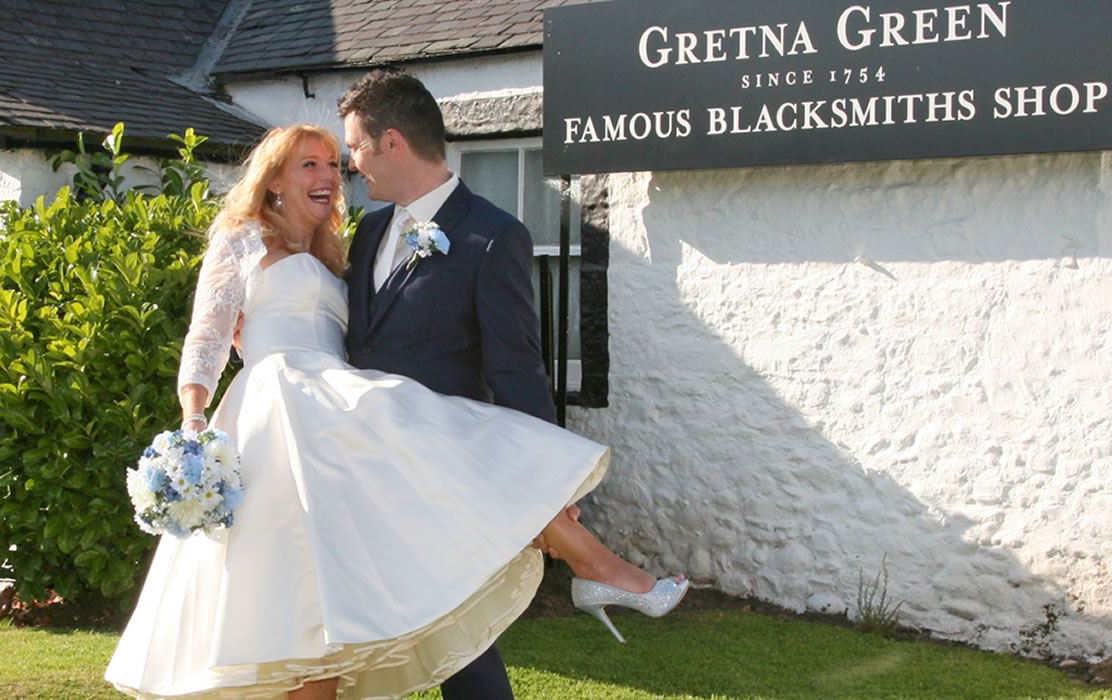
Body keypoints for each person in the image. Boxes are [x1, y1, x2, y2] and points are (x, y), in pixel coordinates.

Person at [104, 121, 685, 700]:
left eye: (334, 162)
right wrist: (194, 422)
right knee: (297, 598)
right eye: (310, 164)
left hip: (334, 412)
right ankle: (600, 568)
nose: (331, 174)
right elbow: (206, 336)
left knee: (347, 576)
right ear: (274, 179)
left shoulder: (343, 250)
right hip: (277, 412)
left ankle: (597, 567)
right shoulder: (242, 238)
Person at [336, 66, 684, 699]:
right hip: (362, 465)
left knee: (456, 629)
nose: (350, 162)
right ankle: (598, 567)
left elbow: (516, 368)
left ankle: (597, 565)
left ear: (392, 142)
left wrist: (550, 475)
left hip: (438, 471)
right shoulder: (365, 233)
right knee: (413, 628)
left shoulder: (491, 237)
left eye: (355, 145)